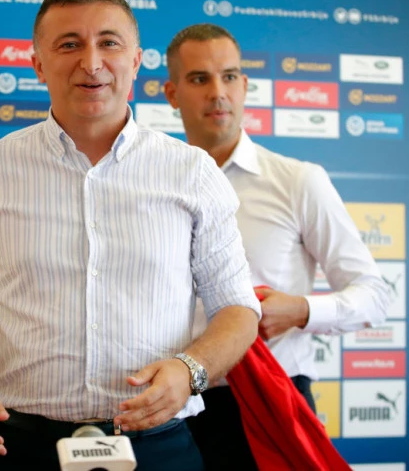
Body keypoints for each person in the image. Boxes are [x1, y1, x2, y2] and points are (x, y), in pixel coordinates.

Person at [0, 0, 262, 471]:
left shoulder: (193, 172)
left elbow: (238, 309)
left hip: (158, 448)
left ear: (136, 61)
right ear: (38, 64)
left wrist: (191, 371)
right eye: (69, 44)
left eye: (109, 43)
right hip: (21, 449)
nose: (92, 62)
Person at [163, 23, 391, 470]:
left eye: (229, 76)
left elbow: (375, 295)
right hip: (172, 404)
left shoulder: (298, 181)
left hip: (272, 400)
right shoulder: (152, 187)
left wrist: (301, 310)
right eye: (199, 79)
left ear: (245, 85)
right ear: (172, 93)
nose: (217, 92)